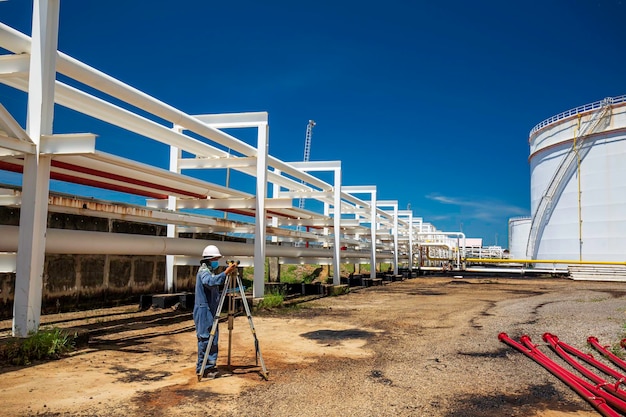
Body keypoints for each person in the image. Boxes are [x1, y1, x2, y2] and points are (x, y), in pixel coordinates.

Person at [194, 244, 238, 380]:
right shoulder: (204, 272)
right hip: (203, 310)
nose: (216, 261)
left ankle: (211, 365)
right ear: (210, 259)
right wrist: (225, 273)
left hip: (211, 309)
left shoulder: (209, 271)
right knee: (205, 339)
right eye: (216, 259)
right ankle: (203, 368)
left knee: (213, 338)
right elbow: (211, 282)